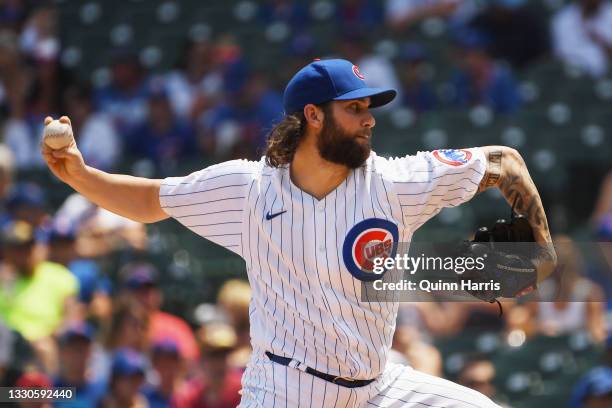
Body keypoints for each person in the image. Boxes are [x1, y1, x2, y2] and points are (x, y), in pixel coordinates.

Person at [41, 58, 556, 406]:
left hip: (378, 387)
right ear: (313, 116)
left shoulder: (394, 183)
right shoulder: (249, 190)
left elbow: (503, 162)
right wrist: (81, 175)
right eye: (354, 108)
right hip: (285, 389)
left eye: (368, 108)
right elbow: (151, 200)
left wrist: (542, 252)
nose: (368, 120)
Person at [552, 0, 612, 78]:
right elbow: (562, 59)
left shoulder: (609, 12)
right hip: (576, 78)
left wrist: (600, 41)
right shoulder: (563, 20)